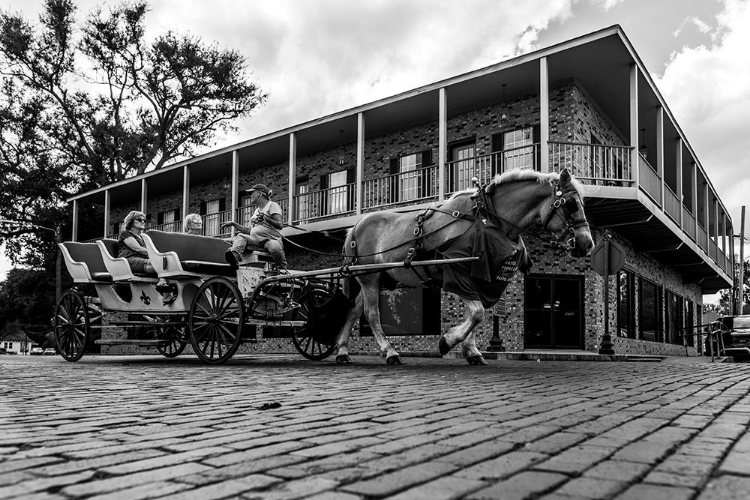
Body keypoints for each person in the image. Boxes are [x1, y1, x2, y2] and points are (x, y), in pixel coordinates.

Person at [221, 184, 287, 270]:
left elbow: (280, 225)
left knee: (275, 247)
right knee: (241, 236)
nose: (250, 195)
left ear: (259, 193)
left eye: (252, 193)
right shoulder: (256, 211)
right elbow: (249, 230)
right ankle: (235, 256)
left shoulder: (272, 205)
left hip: (269, 240)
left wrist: (266, 218)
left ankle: (281, 269)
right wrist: (234, 224)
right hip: (255, 240)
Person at [117, 211, 175, 304]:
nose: (143, 221)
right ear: (131, 221)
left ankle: (167, 294)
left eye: (144, 220)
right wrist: (156, 255)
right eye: (140, 219)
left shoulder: (142, 237)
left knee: (168, 263)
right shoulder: (126, 234)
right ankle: (163, 284)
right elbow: (138, 248)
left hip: (143, 260)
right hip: (129, 260)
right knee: (159, 263)